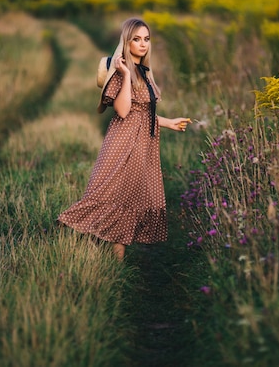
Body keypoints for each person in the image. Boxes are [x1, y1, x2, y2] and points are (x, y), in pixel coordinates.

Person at [57, 17, 191, 260]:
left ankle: (116, 263)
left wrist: (169, 122)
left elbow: (144, 112)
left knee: (128, 197)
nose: (143, 44)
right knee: (107, 193)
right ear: (126, 42)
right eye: (136, 39)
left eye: (147, 39)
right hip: (123, 142)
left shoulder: (145, 72)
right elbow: (123, 110)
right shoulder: (122, 72)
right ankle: (68, 236)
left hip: (143, 144)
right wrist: (125, 73)